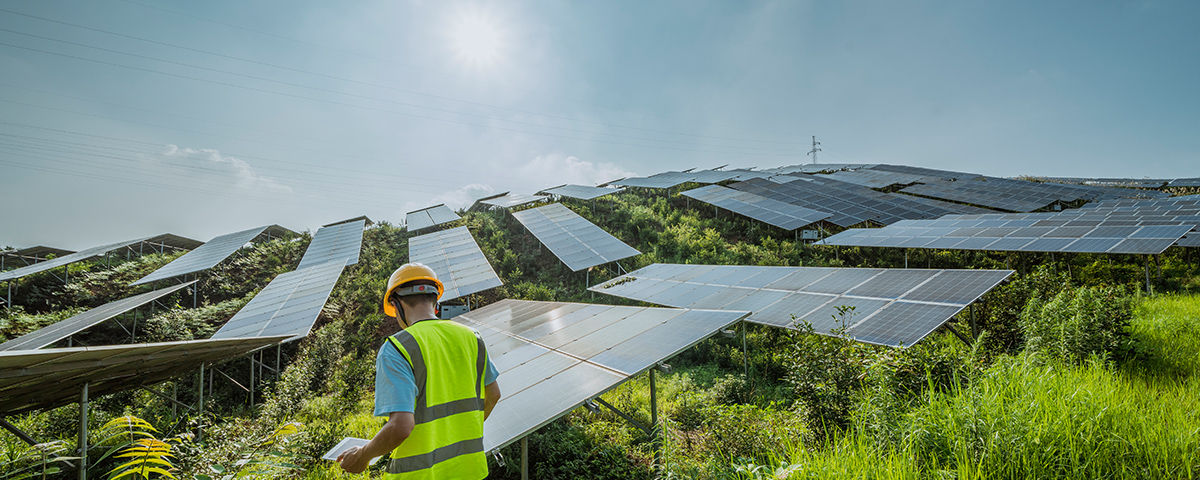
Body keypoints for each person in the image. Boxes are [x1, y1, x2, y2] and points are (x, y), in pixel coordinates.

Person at [339, 263, 501, 478]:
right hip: (470, 470)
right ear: (436, 302)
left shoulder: (397, 348)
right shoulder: (472, 337)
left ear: (396, 305)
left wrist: (363, 456)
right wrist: (454, 431)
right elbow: (493, 395)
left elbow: (401, 426)